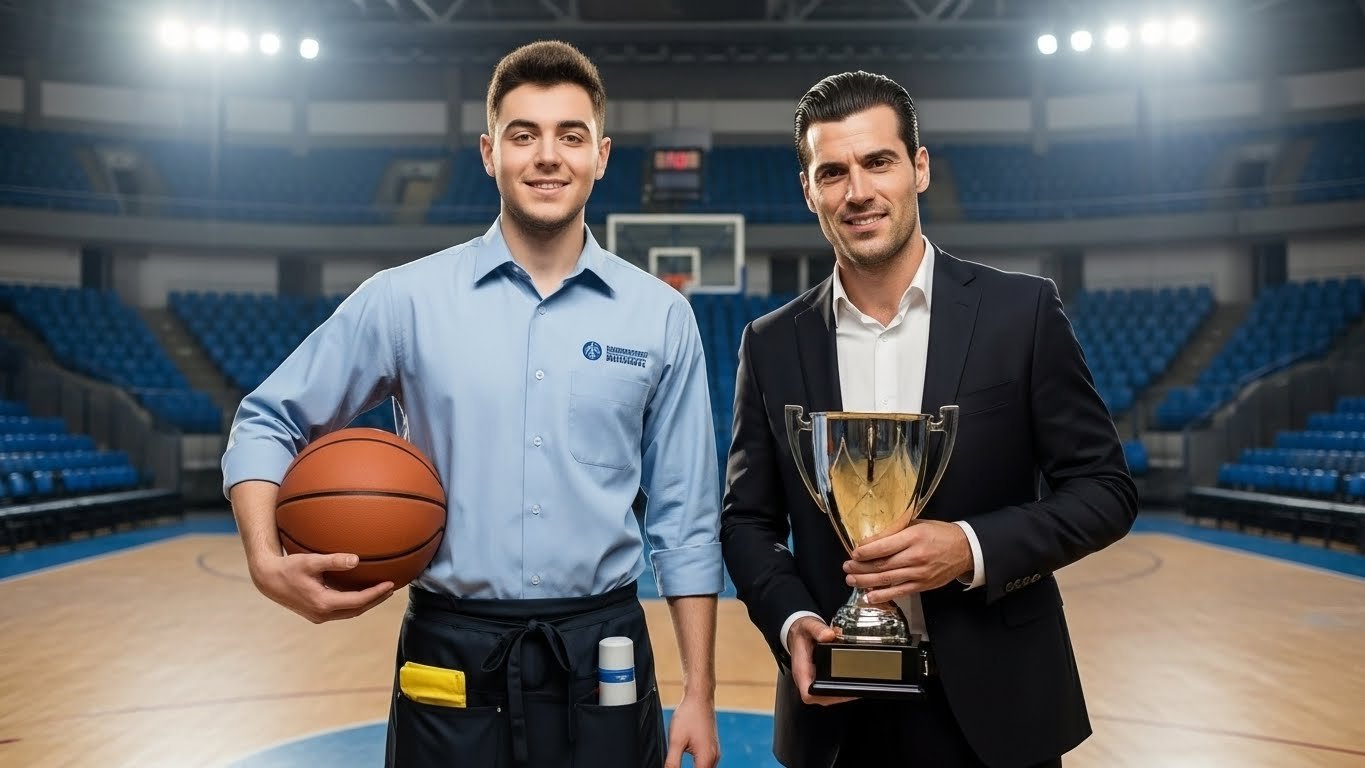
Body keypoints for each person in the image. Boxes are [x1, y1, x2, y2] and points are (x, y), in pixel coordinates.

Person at [222, 40, 722, 768]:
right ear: (489, 153)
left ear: (601, 155)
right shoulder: (404, 300)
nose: (547, 155)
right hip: (449, 650)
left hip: (603, 651)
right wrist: (266, 559)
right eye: (524, 135)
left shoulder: (660, 315)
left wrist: (699, 692)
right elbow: (268, 418)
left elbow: (686, 519)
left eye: (569, 135)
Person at [720, 70, 1138, 768]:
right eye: (832, 172)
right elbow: (745, 521)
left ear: (917, 168)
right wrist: (793, 622)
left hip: (1000, 708)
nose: (856, 191)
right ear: (808, 190)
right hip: (838, 713)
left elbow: (1104, 490)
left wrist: (968, 547)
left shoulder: (1020, 314)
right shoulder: (770, 342)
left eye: (877, 161)